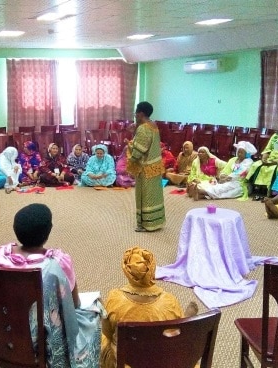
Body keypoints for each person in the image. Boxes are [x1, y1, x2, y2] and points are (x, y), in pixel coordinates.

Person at [0, 203, 101, 367]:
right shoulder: (57, 262)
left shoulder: (1, 255)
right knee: (95, 311)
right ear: (49, 230)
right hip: (42, 340)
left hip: (6, 331)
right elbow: (75, 304)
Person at [101, 247, 198, 368]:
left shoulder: (114, 298)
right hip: (161, 360)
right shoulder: (170, 302)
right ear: (152, 270)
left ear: (127, 272)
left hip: (125, 361)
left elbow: (108, 334)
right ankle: (186, 319)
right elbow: (175, 334)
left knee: (102, 335)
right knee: (177, 332)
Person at [127, 101, 166, 232]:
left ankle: (146, 224)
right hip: (155, 165)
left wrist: (129, 148)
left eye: (136, 113)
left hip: (145, 168)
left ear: (141, 113)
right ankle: (156, 221)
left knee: (145, 195)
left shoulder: (143, 128)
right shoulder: (153, 125)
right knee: (155, 194)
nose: (135, 116)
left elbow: (139, 149)